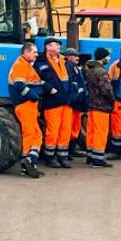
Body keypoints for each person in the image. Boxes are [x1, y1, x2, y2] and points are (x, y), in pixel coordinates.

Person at [7, 42, 45, 178]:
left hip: (29, 105)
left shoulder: (25, 65)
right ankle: (26, 163)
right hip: (26, 104)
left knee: (37, 135)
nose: (36, 54)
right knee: (30, 133)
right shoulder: (21, 65)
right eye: (34, 52)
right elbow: (18, 85)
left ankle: (30, 161)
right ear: (26, 52)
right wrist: (33, 96)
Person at [35, 38, 73, 168]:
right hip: (52, 101)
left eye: (58, 45)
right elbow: (36, 79)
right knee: (53, 130)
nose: (58, 47)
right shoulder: (41, 62)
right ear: (48, 47)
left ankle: (62, 156)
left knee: (65, 130)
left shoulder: (65, 61)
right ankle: (50, 157)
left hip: (66, 101)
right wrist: (49, 88)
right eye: (55, 45)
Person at [83, 47, 115, 167]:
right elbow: (106, 90)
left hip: (92, 106)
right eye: (107, 56)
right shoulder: (101, 72)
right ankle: (98, 159)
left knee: (91, 132)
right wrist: (112, 101)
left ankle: (90, 156)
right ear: (103, 57)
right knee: (100, 133)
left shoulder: (90, 70)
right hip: (102, 107)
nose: (109, 58)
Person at [65, 48, 88, 156]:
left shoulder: (76, 69)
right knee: (69, 127)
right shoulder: (67, 68)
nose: (77, 58)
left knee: (75, 127)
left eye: (78, 56)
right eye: (75, 56)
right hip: (72, 103)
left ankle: (72, 149)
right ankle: (68, 150)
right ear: (68, 57)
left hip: (77, 103)